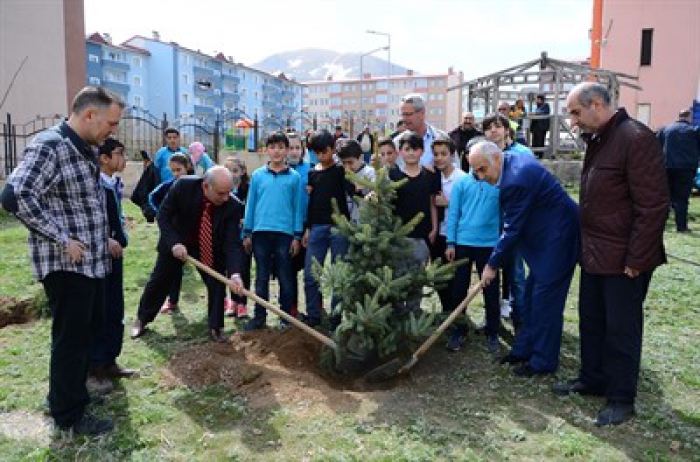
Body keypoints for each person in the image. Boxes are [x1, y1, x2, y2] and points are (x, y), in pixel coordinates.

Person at [1, 86, 124, 436]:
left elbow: (81, 204)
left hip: (90, 262)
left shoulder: (83, 148)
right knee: (70, 339)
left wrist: (105, 238)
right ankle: (68, 414)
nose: (111, 132)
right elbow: (15, 195)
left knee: (85, 333)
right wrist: (60, 238)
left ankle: (73, 393)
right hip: (66, 265)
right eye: (110, 124)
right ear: (89, 115)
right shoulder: (50, 145)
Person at [553, 82, 669, 427]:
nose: (572, 122)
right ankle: (593, 378)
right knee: (592, 320)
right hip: (594, 253)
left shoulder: (635, 139)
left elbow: (653, 205)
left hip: (624, 260)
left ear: (598, 105)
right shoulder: (600, 141)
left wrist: (637, 258)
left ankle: (620, 398)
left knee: (621, 328)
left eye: (575, 112)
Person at [469, 140, 580, 378]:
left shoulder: (515, 179)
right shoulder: (509, 164)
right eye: (475, 171)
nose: (480, 176)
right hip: (544, 240)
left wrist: (491, 265)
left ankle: (542, 362)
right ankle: (523, 350)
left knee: (545, 305)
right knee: (530, 298)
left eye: (482, 169)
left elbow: (512, 228)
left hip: (558, 240)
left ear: (497, 159)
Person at [131, 167, 245, 343]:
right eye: (221, 193)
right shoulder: (183, 186)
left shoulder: (233, 206)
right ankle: (143, 319)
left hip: (208, 245)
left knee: (217, 281)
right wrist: (174, 243)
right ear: (206, 186)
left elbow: (232, 243)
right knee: (160, 279)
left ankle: (216, 327)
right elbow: (163, 216)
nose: (226, 198)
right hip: (177, 240)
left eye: (229, 192)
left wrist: (236, 273)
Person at [88, 138, 137, 393]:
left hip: (115, 256)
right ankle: (94, 367)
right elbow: (89, 218)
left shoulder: (114, 182)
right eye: (119, 153)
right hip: (98, 256)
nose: (123, 159)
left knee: (115, 306)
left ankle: (110, 360)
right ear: (104, 158)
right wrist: (104, 239)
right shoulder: (94, 184)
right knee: (101, 309)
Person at [243, 132, 303, 330]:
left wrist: (297, 235)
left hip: (285, 235)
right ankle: (259, 317)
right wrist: (247, 232)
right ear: (266, 150)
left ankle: (285, 317)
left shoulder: (294, 178)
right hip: (260, 234)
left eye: (280, 147)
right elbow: (250, 205)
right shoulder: (258, 176)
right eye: (272, 147)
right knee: (261, 277)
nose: (276, 152)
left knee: (285, 276)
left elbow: (297, 208)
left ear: (286, 150)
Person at [445, 142, 501, 354]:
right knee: (459, 288)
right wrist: (451, 242)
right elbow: (453, 213)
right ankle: (459, 329)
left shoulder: (496, 181)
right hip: (463, 243)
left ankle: (493, 330)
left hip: (489, 245)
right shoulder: (461, 183)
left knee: (491, 289)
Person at [483, 113, 532, 324]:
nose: (493, 130)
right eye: (488, 127)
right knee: (491, 270)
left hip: (515, 221)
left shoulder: (521, 153)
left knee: (515, 274)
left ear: (506, 129)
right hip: (491, 221)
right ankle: (493, 315)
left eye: (497, 126)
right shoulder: (484, 154)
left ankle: (519, 318)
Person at [303, 129, 354, 327]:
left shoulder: (342, 170)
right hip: (316, 228)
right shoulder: (312, 173)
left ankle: (336, 316)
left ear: (333, 149)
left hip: (339, 228)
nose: (321, 156)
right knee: (310, 273)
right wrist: (307, 228)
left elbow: (352, 191)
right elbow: (311, 204)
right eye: (317, 152)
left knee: (338, 274)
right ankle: (314, 314)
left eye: (324, 151)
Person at [389, 131, 441, 312]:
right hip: (398, 236)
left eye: (415, 149)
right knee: (397, 277)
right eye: (407, 149)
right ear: (401, 152)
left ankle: (413, 313)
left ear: (422, 151)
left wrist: (434, 228)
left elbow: (432, 204)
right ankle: (397, 314)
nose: (411, 153)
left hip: (422, 235)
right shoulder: (393, 176)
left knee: (416, 278)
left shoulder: (429, 176)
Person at [148, 153, 195, 315]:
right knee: (172, 271)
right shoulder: (169, 186)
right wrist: (160, 211)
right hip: (173, 236)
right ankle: (172, 300)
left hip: (193, 234)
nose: (176, 174)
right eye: (173, 171)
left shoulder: (196, 184)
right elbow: (152, 197)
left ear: (187, 167)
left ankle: (221, 301)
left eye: (179, 170)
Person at [431, 135, 467, 315]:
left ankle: (458, 316)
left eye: (443, 154)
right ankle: (446, 311)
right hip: (438, 233)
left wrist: (447, 204)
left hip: (457, 235)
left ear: (452, 155)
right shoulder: (432, 177)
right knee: (439, 277)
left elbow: (470, 209)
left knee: (456, 278)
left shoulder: (463, 179)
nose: (439, 158)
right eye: (436, 154)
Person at [657, 109, 700, 232]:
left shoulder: (665, 130)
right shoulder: (694, 131)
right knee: (682, 199)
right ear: (689, 117)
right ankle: (681, 227)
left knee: (665, 198)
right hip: (686, 169)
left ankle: (660, 225)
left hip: (667, 167)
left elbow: (657, 147)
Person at [286, 132, 311, 318]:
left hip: (307, 226)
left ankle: (315, 308)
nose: (294, 152)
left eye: (297, 148)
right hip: (286, 228)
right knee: (289, 270)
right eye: (290, 148)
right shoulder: (279, 171)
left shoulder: (310, 170)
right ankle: (291, 308)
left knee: (311, 270)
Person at [223, 156, 251, 318]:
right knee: (231, 270)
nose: (232, 174)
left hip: (244, 236)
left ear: (242, 172)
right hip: (229, 237)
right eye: (228, 170)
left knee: (244, 270)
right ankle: (232, 301)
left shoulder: (248, 189)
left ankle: (242, 303)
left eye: (235, 170)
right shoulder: (224, 188)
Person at [396, 93, 448, 167]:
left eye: (408, 114)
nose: (404, 119)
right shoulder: (396, 142)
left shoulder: (442, 138)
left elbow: (454, 169)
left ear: (422, 113)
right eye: (403, 115)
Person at [337, 138, 376, 223]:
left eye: (350, 162)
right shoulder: (342, 173)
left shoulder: (370, 173)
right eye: (344, 163)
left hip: (365, 224)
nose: (347, 167)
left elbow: (376, 194)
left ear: (361, 157)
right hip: (347, 224)